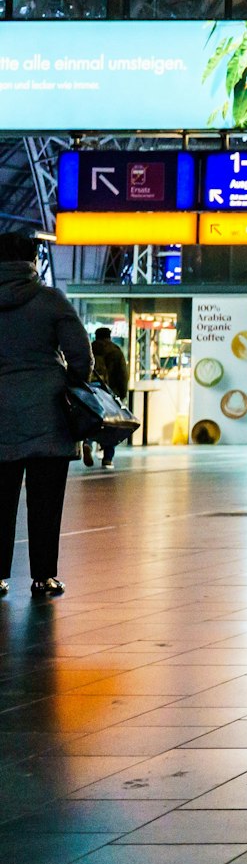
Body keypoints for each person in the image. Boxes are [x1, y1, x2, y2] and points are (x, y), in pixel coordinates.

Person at [0, 232, 90, 598]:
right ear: (32, 260)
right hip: (48, 415)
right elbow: (81, 356)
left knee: (0, 501)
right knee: (46, 501)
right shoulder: (50, 300)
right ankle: (43, 577)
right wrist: (68, 384)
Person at [83, 326, 130, 470]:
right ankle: (108, 459)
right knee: (111, 425)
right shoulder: (115, 351)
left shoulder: (89, 349)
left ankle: (88, 443)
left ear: (95, 336)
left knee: (92, 419)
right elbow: (123, 375)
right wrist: (122, 394)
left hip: (92, 391)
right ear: (109, 336)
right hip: (110, 392)